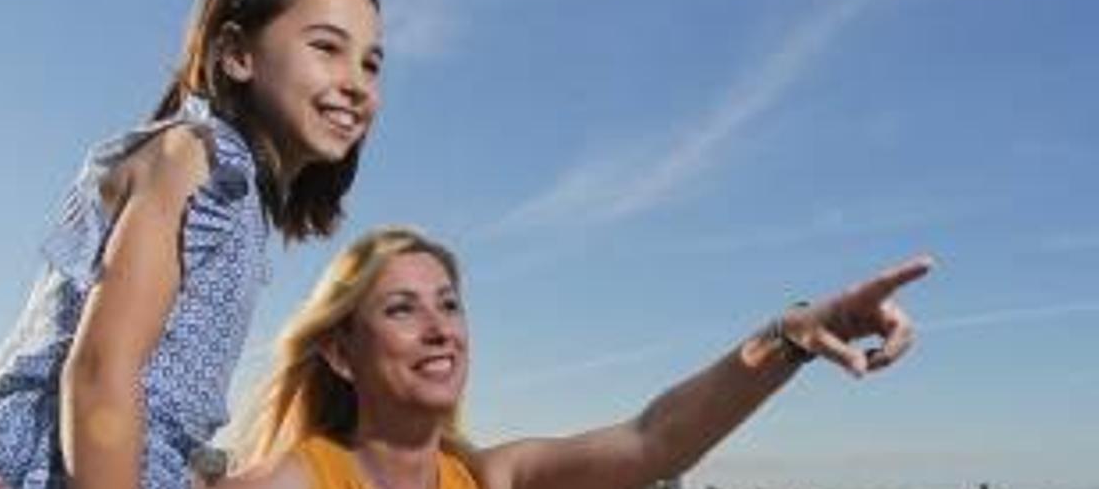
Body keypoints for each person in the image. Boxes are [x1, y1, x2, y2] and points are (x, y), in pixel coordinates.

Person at [0, 0, 385, 487]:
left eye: (371, 62)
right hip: (61, 464)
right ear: (236, 54)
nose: (357, 82)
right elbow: (102, 372)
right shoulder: (195, 159)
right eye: (327, 47)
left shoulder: (236, 192)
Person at [214, 226, 933, 489]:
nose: (440, 329)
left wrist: (795, 335)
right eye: (402, 309)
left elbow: (654, 441)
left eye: (450, 304)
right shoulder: (294, 483)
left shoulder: (488, 476)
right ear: (341, 354)